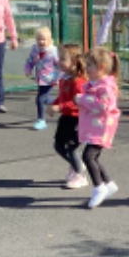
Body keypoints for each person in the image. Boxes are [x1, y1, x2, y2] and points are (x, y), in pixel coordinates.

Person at [76, 48, 122, 209]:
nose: (86, 68)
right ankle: (108, 184)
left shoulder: (105, 87)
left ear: (101, 67)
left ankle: (99, 187)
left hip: (102, 129)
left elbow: (103, 107)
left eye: (90, 65)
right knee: (93, 158)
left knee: (88, 157)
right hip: (95, 127)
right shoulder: (94, 84)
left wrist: (82, 99)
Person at [50, 43, 88, 189]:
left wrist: (60, 106)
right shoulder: (64, 78)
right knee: (58, 145)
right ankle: (77, 165)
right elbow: (62, 97)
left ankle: (80, 175)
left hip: (77, 119)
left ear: (74, 61)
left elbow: (79, 103)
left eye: (62, 59)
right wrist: (55, 104)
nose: (59, 61)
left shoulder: (79, 82)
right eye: (59, 58)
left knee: (72, 148)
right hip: (65, 118)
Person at [24, 27, 60, 130]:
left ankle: (41, 120)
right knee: (45, 98)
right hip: (40, 79)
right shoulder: (35, 49)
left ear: (49, 40)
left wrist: (58, 78)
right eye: (39, 39)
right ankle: (60, 103)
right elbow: (30, 60)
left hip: (50, 79)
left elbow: (59, 65)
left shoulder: (53, 51)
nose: (41, 42)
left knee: (39, 99)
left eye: (43, 39)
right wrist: (28, 69)